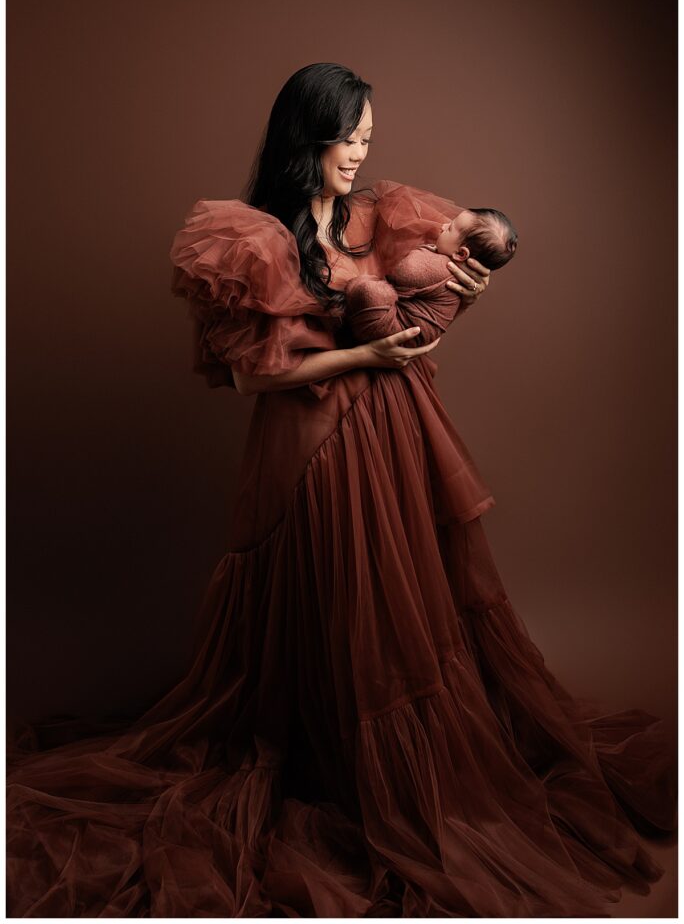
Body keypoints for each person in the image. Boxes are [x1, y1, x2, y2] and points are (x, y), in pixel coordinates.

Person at [6, 63, 676, 917]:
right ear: (308, 134)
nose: (362, 151)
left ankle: (403, 772)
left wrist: (460, 290)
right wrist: (366, 356)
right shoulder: (253, 236)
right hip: (312, 442)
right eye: (348, 135)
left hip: (394, 431)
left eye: (367, 135)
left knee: (407, 603)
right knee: (336, 605)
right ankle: (335, 764)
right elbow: (252, 381)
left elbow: (439, 285)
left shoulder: (384, 210)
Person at [343, 197, 518, 348]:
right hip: (412, 333)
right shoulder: (457, 267)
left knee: (370, 291)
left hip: (399, 329)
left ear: (461, 254)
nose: (443, 226)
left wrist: (424, 251)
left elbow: (404, 272)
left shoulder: (445, 268)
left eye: (450, 228)